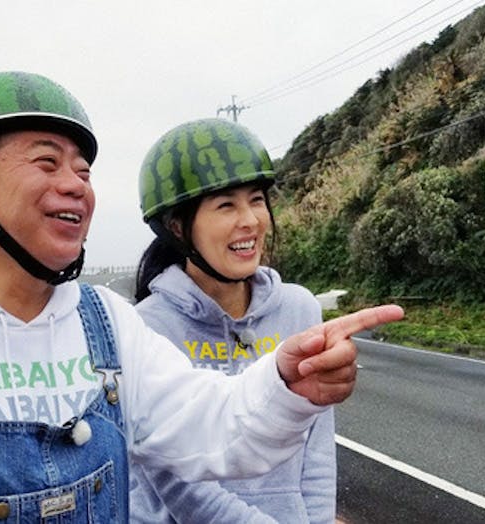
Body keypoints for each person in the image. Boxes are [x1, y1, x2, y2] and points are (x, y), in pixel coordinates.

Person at [0, 71, 403, 523]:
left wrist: (285, 385)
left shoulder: (102, 322)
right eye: (47, 162)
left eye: (82, 171)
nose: (74, 185)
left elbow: (216, 430)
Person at [131, 118, 336, 523]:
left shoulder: (299, 309)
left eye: (256, 199)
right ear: (177, 227)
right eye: (226, 205)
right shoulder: (146, 328)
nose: (251, 220)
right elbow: (175, 483)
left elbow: (317, 450)